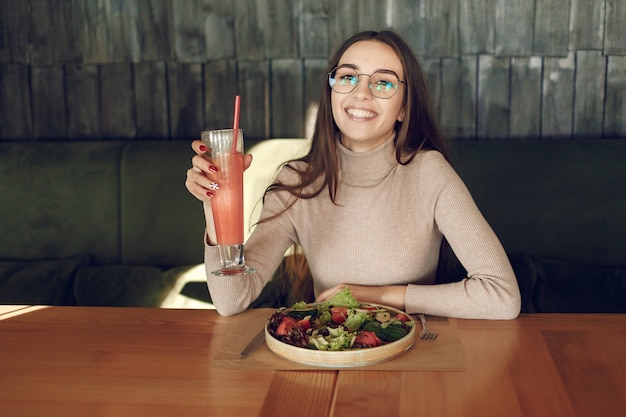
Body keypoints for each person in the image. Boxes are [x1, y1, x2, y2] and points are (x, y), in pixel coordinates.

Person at [186, 30, 521, 319]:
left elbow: (502, 297)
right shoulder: (296, 182)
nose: (362, 93)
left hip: (414, 361)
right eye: (348, 77)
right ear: (332, 92)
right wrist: (213, 202)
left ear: (404, 107)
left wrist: (378, 295)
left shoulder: (428, 172)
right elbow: (231, 301)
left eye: (384, 82)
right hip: (328, 359)